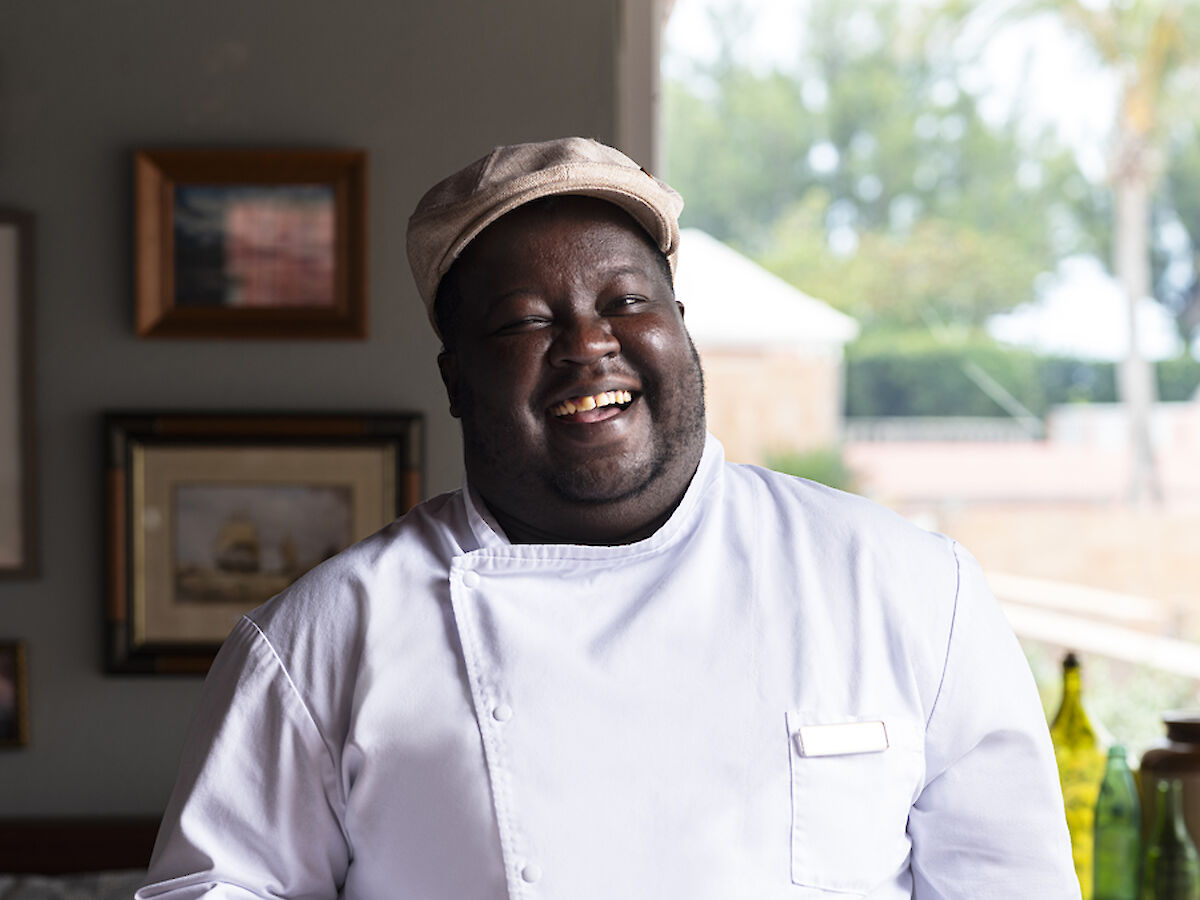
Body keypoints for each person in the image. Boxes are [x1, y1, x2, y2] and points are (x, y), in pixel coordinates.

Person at [137, 137, 1079, 899]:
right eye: (522, 322)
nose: (589, 346)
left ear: (681, 326)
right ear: (455, 378)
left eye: (626, 300)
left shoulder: (905, 585)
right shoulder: (327, 635)